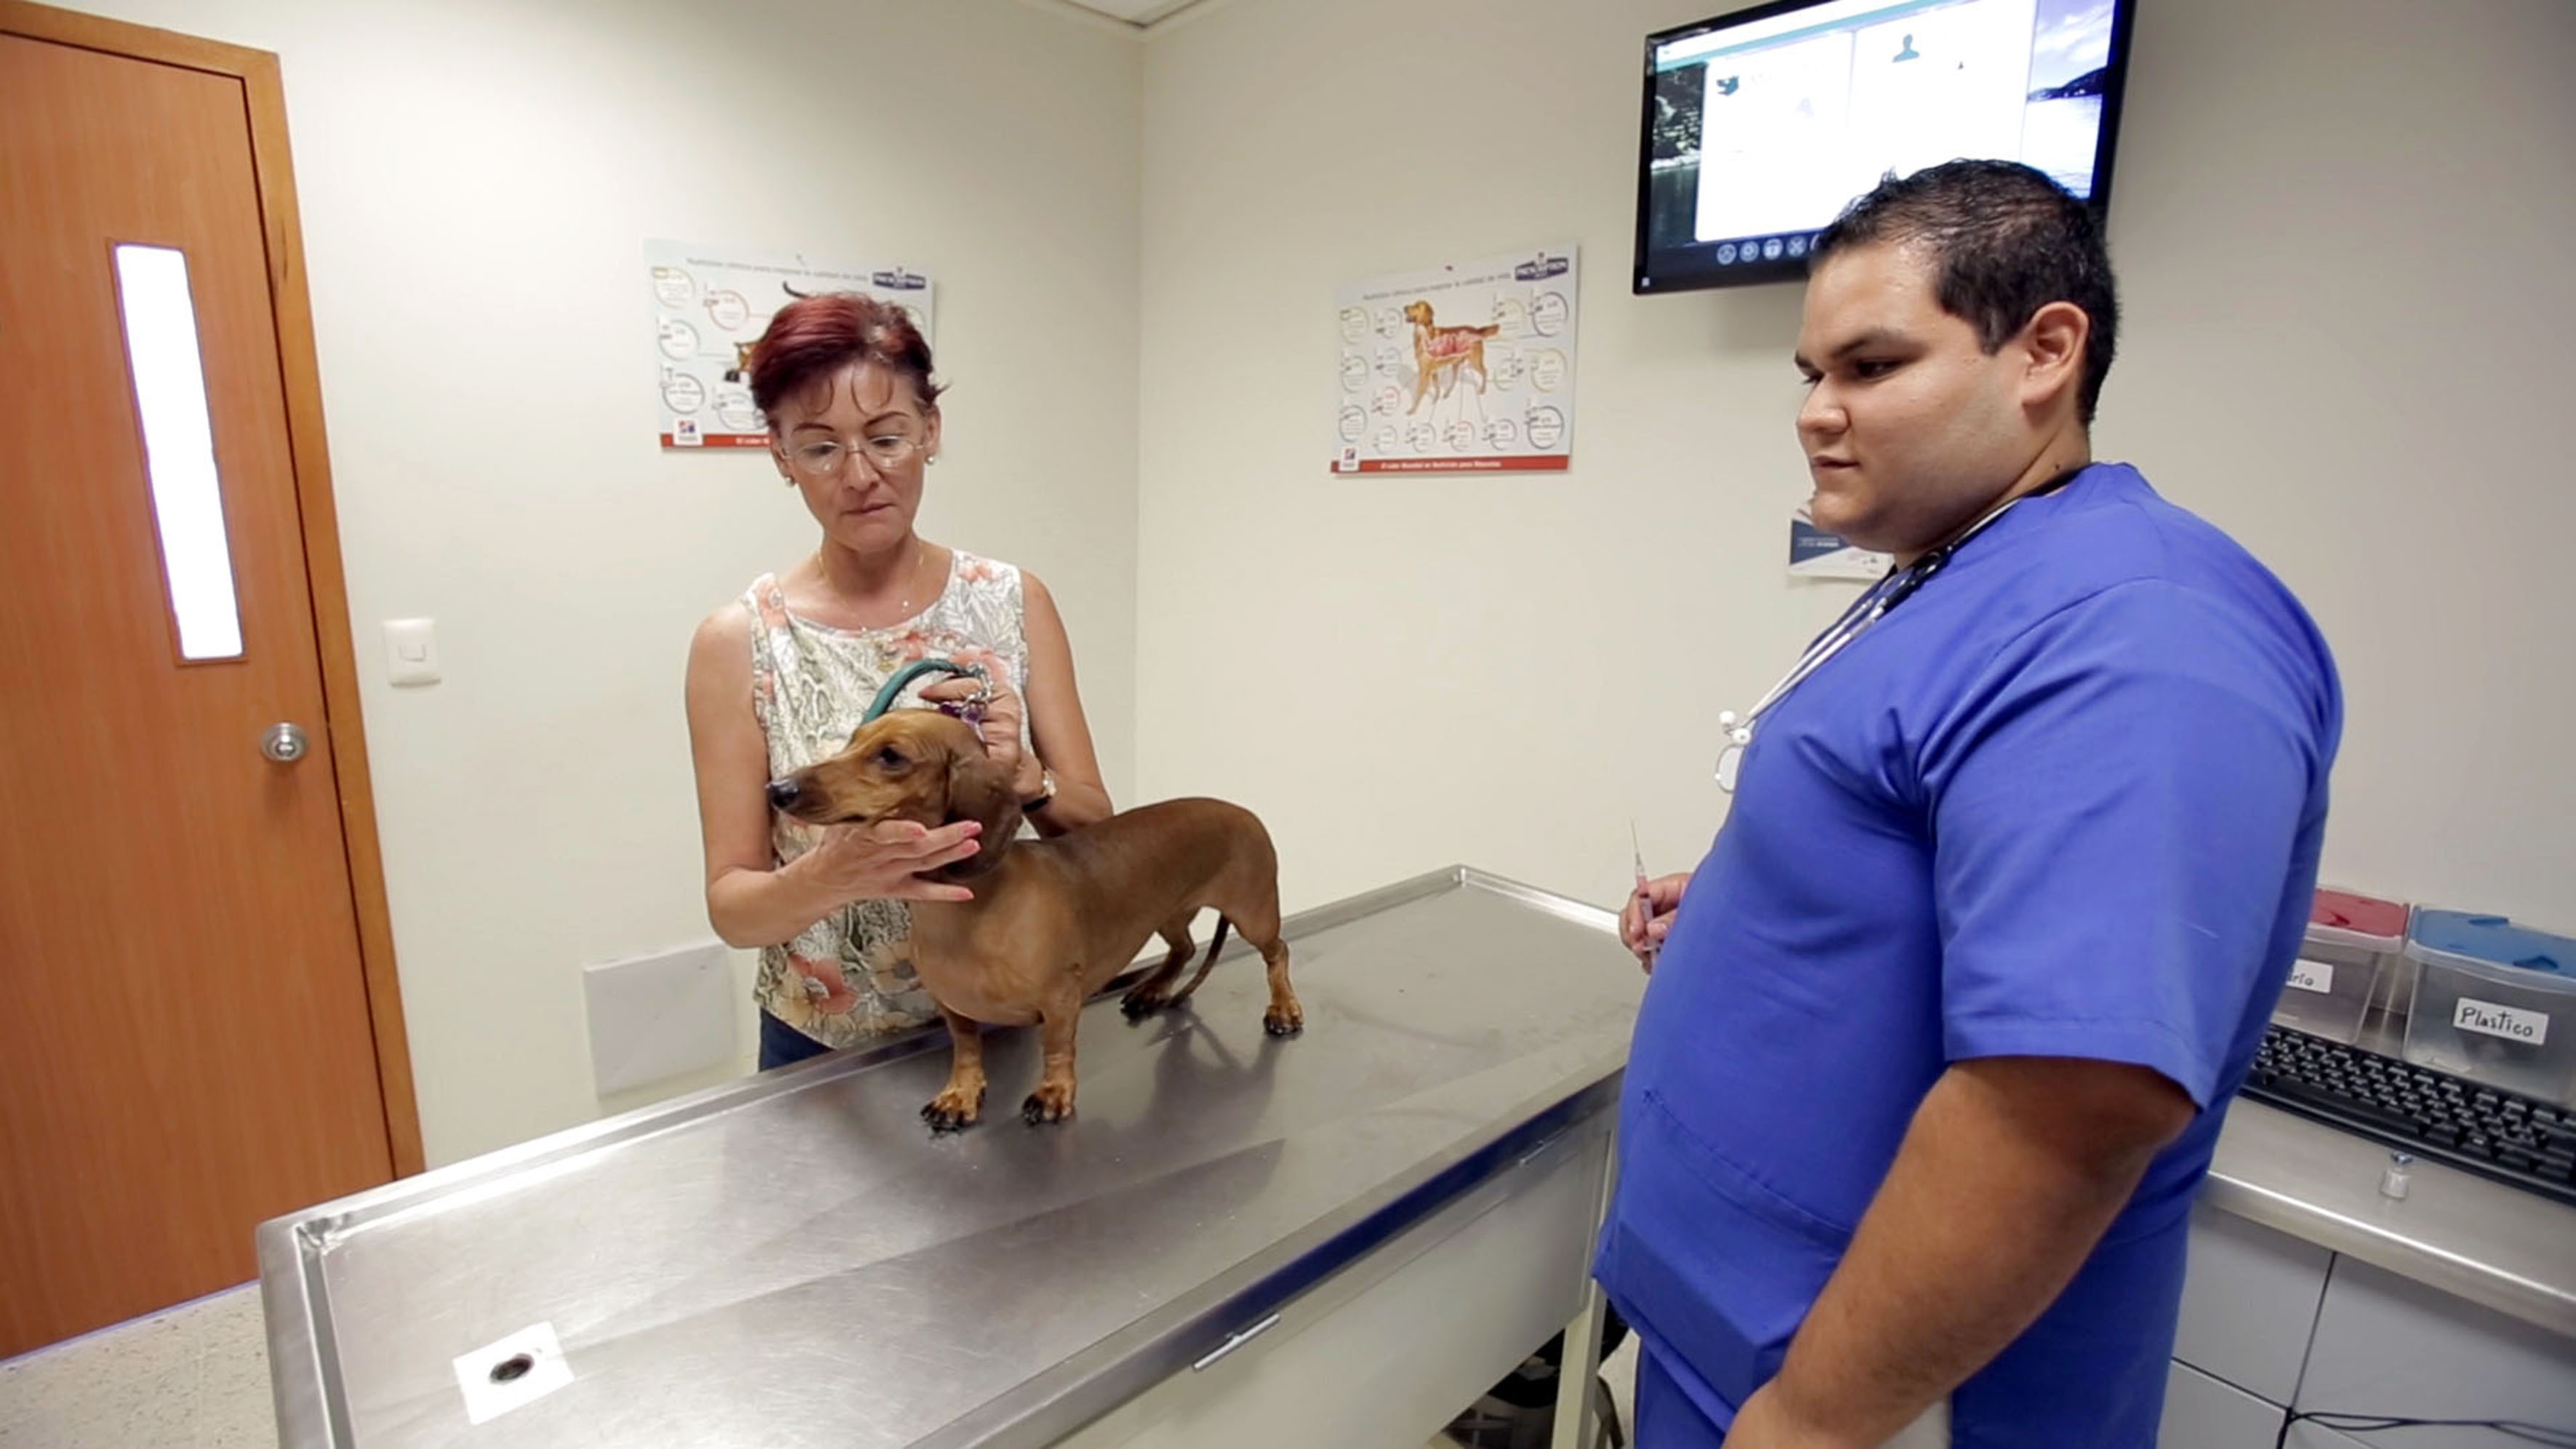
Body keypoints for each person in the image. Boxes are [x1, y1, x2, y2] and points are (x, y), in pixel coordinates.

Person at [1600, 160, 2341, 1448]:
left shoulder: (2134, 631)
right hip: (1733, 1333)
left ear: (2044, 351)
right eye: (1808, 375)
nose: (1815, 414)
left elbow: (2071, 1098)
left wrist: (1814, 1420)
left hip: (1875, 1398)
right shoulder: (1956, 574)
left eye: (1869, 367)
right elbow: (1910, 850)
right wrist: (1752, 901)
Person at [685, 294, 1112, 1070]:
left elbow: (1094, 833)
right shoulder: (740, 643)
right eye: (818, 448)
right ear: (780, 454)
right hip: (826, 1048)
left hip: (1013, 1010)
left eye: (887, 438)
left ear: (931, 432)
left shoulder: (1015, 602)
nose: (860, 475)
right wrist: (831, 871)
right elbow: (735, 911)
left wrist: (1027, 781)